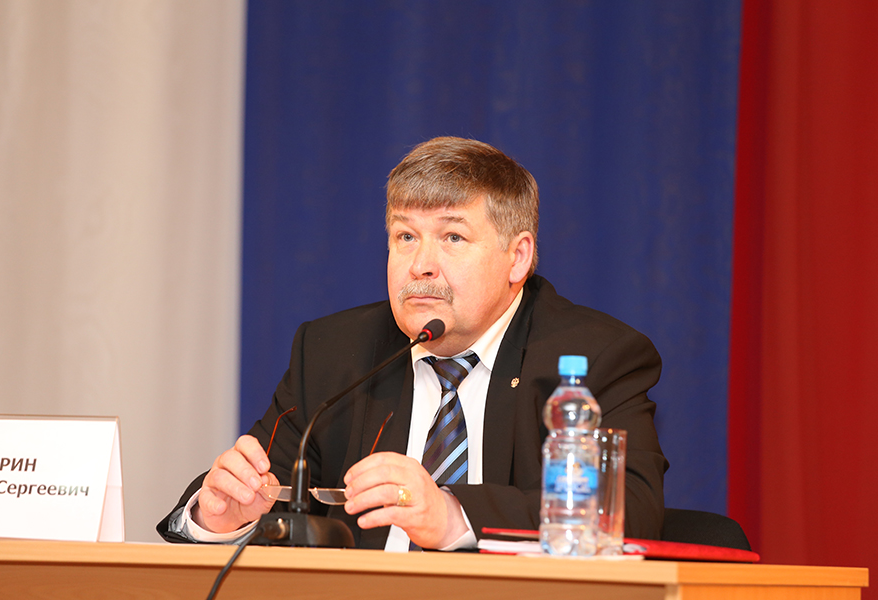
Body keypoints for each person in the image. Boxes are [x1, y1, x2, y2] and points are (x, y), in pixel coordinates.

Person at [157, 136, 667, 550]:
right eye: (405, 237)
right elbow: (259, 486)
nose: (421, 265)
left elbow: (628, 512)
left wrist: (452, 515)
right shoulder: (334, 352)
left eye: (452, 237)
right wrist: (221, 516)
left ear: (517, 258)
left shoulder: (595, 357)